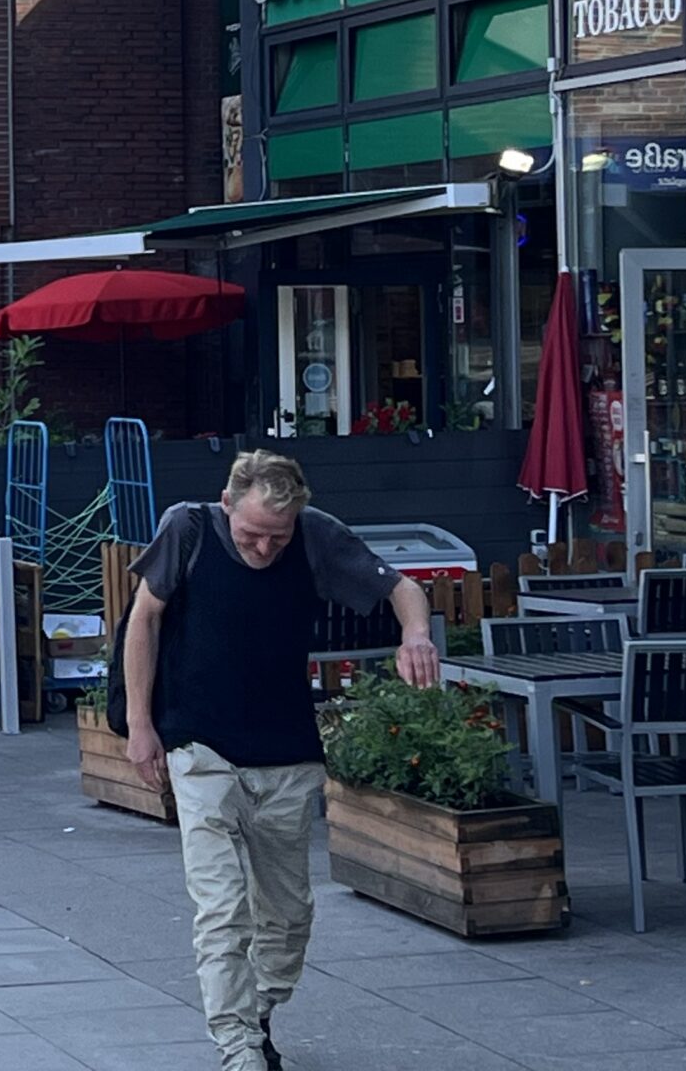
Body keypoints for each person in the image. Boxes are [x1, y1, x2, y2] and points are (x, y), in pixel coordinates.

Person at [122, 451, 437, 1071]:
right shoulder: (186, 528)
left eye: (277, 537)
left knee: (288, 917)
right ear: (226, 502)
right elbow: (144, 620)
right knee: (221, 908)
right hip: (199, 746)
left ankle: (257, 1008)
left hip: (287, 755)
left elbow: (403, 589)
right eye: (251, 533)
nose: (264, 548)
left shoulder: (315, 534)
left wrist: (416, 635)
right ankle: (238, 1046)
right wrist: (139, 724)